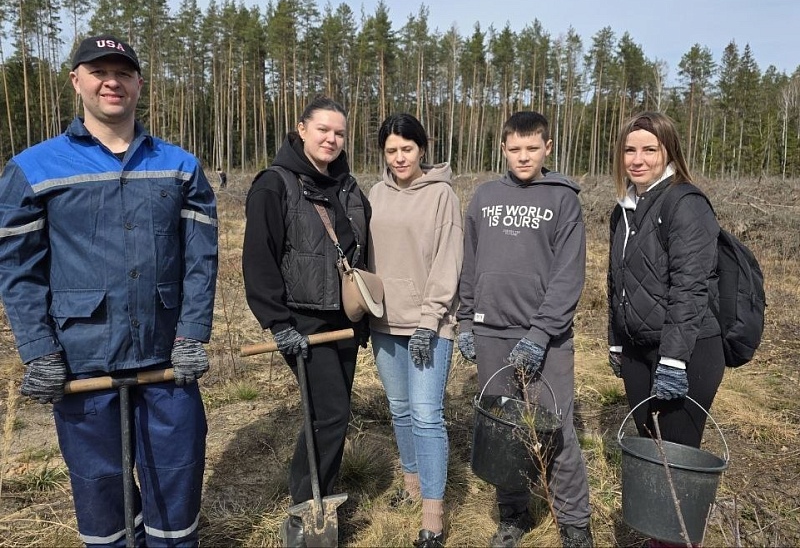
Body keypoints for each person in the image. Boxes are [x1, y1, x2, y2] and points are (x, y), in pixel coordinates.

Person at [0, 35, 218, 547]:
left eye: (122, 72)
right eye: (98, 71)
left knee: (177, 492)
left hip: (167, 362)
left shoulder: (180, 166)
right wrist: (39, 352)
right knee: (103, 504)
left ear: (140, 84)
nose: (111, 81)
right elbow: (17, 268)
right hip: (82, 364)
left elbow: (202, 260)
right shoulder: (34, 169)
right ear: (77, 81)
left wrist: (192, 333)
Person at [457, 111, 593, 548]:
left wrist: (538, 335)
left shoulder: (562, 199)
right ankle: (513, 514)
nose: (523, 156)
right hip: (490, 333)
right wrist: (464, 319)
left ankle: (575, 524)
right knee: (504, 431)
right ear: (503, 148)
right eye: (514, 148)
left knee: (557, 430)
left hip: (545, 340)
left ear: (547, 148)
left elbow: (568, 277)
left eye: (532, 148)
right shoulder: (483, 197)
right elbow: (470, 264)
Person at [242, 96, 370, 547]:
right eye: (323, 131)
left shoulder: (350, 187)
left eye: (339, 133)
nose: (332, 140)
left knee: (328, 415)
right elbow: (258, 260)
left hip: (346, 321)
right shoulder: (273, 185)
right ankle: (307, 510)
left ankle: (322, 497)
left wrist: (366, 315)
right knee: (331, 413)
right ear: (301, 129)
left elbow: (360, 252)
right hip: (304, 321)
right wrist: (278, 324)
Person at [607, 112, 724, 543]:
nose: (637, 160)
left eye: (649, 150)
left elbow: (690, 287)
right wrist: (616, 342)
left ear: (668, 152)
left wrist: (673, 359)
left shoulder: (684, 202)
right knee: (653, 456)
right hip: (639, 351)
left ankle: (675, 539)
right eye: (629, 149)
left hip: (687, 352)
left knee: (677, 464)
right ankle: (660, 537)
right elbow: (616, 281)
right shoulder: (624, 210)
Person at [367, 114, 463, 548]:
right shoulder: (375, 193)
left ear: (422, 148)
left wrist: (430, 321)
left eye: (407, 148)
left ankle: (433, 514)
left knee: (426, 416)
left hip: (430, 324)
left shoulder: (443, 196)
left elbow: (448, 262)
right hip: (384, 324)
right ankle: (409, 486)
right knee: (400, 408)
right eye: (391, 150)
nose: (399, 157)